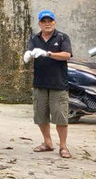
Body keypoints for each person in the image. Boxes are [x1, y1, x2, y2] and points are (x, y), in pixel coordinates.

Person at [24, 10, 73, 158]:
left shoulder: (62, 37)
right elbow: (30, 51)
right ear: (39, 23)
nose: (47, 24)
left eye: (50, 21)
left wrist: (49, 54)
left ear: (54, 22)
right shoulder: (34, 38)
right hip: (40, 83)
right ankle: (47, 142)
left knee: (60, 117)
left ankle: (63, 147)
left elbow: (67, 55)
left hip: (58, 83)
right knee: (41, 116)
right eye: (44, 21)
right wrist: (27, 55)